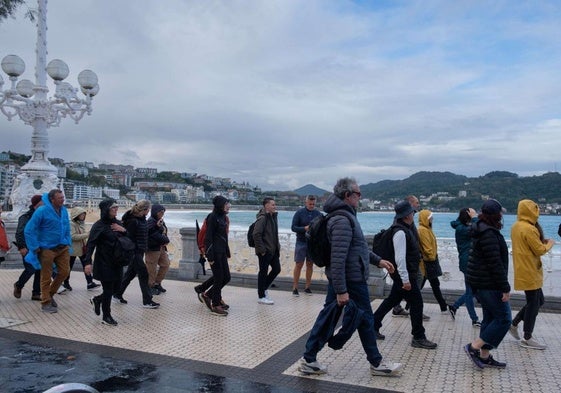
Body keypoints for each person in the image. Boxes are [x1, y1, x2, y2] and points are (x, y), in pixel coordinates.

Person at [299, 177, 402, 377]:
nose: (360, 197)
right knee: (363, 319)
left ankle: (309, 358)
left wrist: (378, 260)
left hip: (346, 279)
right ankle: (376, 362)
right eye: (358, 194)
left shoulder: (346, 216)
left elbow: (358, 248)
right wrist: (341, 290)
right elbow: (337, 258)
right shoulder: (342, 220)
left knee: (330, 318)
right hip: (350, 280)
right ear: (347, 195)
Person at [373, 201, 437, 349]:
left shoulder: (404, 229)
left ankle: (373, 325)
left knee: (391, 300)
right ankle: (418, 337)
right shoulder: (400, 232)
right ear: (408, 215)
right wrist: (405, 279)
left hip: (405, 274)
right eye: (412, 212)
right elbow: (400, 258)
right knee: (417, 303)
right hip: (405, 275)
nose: (414, 214)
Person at [464, 199, 511, 369]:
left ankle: (484, 356)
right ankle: (473, 347)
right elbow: (495, 264)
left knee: (490, 318)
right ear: (496, 215)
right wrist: (505, 287)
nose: (502, 216)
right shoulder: (489, 234)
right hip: (489, 284)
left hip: (481, 282)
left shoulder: (481, 229)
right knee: (504, 319)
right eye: (501, 213)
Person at [509, 199, 554, 349]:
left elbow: (530, 245)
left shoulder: (517, 226)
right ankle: (527, 337)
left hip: (523, 268)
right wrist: (550, 244)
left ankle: (514, 324)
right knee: (534, 302)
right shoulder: (529, 228)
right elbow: (540, 250)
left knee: (538, 300)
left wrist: (541, 242)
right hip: (530, 270)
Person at [24, 189, 71, 313]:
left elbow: (67, 227)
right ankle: (45, 302)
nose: (63, 199)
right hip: (47, 249)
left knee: (64, 272)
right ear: (52, 199)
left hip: (63, 247)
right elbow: (29, 230)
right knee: (46, 276)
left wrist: (68, 241)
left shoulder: (64, 211)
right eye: (60, 198)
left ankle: (49, 295)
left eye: (63, 197)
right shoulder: (42, 211)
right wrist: (34, 246)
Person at [83, 199, 128, 326]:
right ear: (106, 209)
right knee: (108, 289)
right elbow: (90, 244)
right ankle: (106, 316)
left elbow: (128, 238)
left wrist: (123, 230)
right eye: (113, 207)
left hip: (117, 261)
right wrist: (87, 262)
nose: (116, 209)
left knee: (117, 288)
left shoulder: (117, 223)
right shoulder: (99, 225)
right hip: (104, 262)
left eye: (117, 207)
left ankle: (97, 300)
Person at [113, 200, 160, 309]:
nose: (149, 211)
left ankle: (117, 294)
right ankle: (147, 301)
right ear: (145, 209)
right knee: (144, 274)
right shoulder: (133, 220)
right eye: (148, 209)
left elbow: (143, 232)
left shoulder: (142, 219)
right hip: (134, 252)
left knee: (130, 274)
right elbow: (128, 236)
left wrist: (156, 227)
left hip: (140, 251)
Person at [448, 208, 481, 326]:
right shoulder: (463, 229)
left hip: (469, 262)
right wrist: (475, 217)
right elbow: (478, 229)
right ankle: (474, 319)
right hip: (468, 262)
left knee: (474, 291)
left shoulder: (462, 226)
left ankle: (454, 306)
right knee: (470, 291)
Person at [201, 195, 232, 316]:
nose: (228, 206)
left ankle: (208, 295)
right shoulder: (212, 217)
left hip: (222, 252)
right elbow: (208, 237)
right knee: (219, 278)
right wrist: (210, 256)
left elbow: (224, 236)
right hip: (214, 252)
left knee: (226, 277)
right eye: (226, 204)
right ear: (220, 206)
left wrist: (227, 251)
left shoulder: (223, 217)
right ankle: (215, 304)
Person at [13, 195, 43, 301]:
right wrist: (22, 247)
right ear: (36, 204)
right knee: (31, 269)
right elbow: (20, 232)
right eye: (42, 203)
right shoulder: (26, 217)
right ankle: (19, 285)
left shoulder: (43, 216)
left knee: (40, 269)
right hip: (27, 248)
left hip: (39, 247)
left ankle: (36, 293)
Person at [290, 195, 322, 296]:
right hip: (301, 241)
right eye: (310, 204)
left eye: (313, 204)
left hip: (312, 243)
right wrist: (304, 228)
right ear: (306, 203)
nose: (312, 206)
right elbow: (293, 227)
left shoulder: (318, 214)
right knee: (299, 264)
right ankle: (295, 288)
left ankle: (307, 287)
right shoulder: (299, 213)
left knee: (310, 264)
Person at [417, 209, 448, 313]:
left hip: (430, 261)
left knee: (434, 284)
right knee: (423, 285)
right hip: (427, 262)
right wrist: (431, 257)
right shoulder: (423, 230)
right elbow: (427, 247)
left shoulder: (426, 229)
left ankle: (443, 306)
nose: (432, 219)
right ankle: (443, 306)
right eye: (430, 217)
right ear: (426, 219)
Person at [253, 197, 281, 305]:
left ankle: (263, 289)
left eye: (275, 204)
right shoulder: (263, 218)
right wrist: (262, 250)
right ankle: (261, 296)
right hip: (265, 251)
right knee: (263, 272)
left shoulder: (273, 217)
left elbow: (274, 234)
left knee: (277, 269)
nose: (275, 206)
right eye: (273, 205)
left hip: (273, 250)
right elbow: (256, 234)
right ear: (266, 206)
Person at [64, 207, 100, 291]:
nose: (83, 216)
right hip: (73, 249)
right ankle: (65, 283)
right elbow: (72, 236)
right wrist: (88, 234)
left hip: (82, 249)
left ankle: (90, 283)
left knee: (86, 265)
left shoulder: (81, 223)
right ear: (76, 215)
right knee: (68, 267)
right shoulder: (71, 224)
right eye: (81, 214)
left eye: (84, 214)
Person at [145, 204, 170, 296]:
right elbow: (152, 233)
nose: (162, 214)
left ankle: (157, 283)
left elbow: (163, 232)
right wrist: (165, 239)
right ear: (155, 212)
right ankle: (150, 286)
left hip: (161, 247)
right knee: (151, 268)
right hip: (152, 248)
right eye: (161, 212)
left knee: (165, 264)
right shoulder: (151, 221)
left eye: (163, 212)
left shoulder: (160, 221)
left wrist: (165, 240)